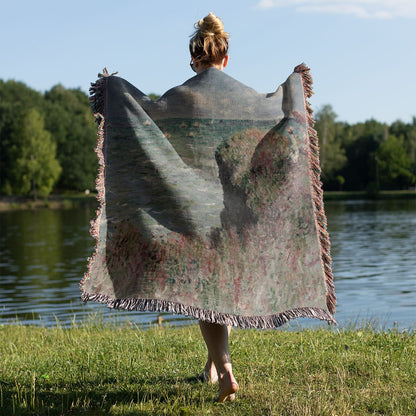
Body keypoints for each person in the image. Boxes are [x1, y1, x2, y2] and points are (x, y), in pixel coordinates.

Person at [188, 12, 238, 403]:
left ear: (195, 60)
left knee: (206, 295)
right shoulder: (243, 97)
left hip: (196, 207)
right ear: (225, 58)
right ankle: (209, 367)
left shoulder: (183, 96)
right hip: (235, 210)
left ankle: (226, 372)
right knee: (222, 291)